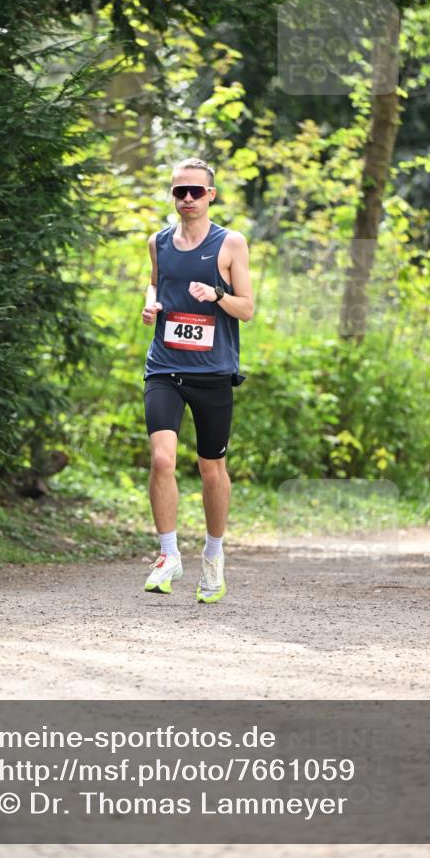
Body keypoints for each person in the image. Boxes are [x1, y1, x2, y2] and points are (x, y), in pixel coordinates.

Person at [141, 157, 253, 603]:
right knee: (163, 459)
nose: (186, 199)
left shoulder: (231, 244)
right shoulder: (158, 242)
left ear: (211, 195)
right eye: (179, 192)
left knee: (212, 469)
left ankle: (214, 555)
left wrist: (218, 294)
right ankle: (168, 554)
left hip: (212, 372)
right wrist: (150, 304)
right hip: (165, 366)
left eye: (195, 192)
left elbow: (247, 308)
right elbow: (155, 285)